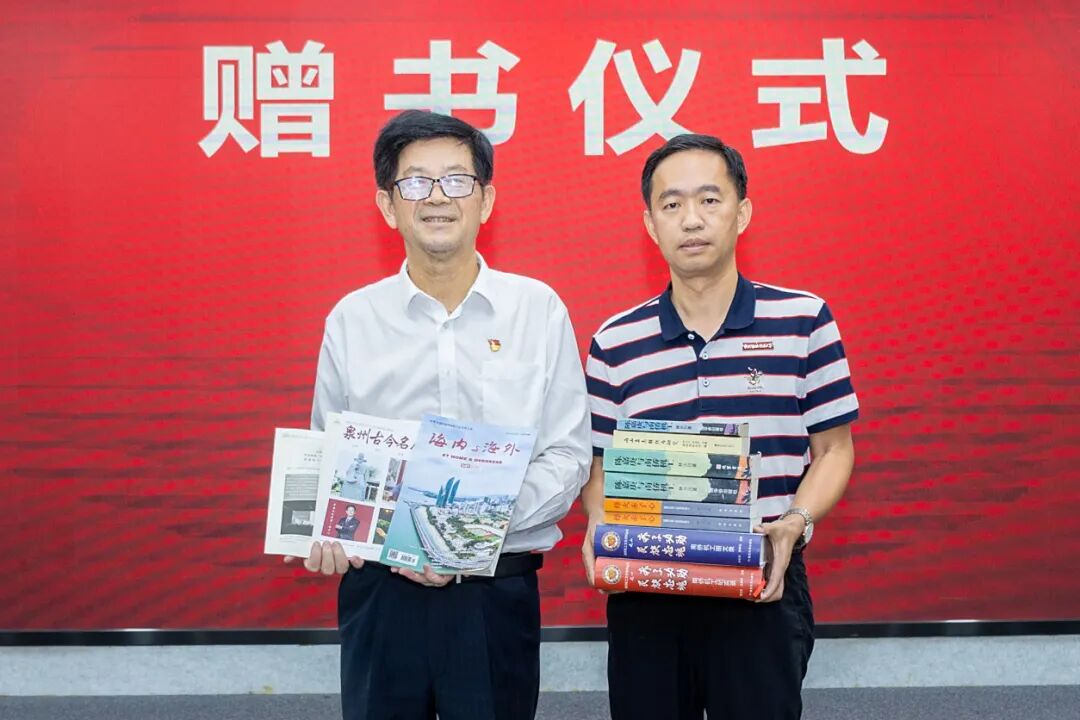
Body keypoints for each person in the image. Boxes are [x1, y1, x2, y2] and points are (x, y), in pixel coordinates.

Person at [286, 110, 592, 720]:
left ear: (486, 200)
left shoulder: (537, 310)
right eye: (415, 182)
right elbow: (329, 456)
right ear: (387, 205)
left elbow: (566, 456)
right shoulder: (353, 319)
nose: (436, 197)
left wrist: (461, 536)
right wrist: (322, 528)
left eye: (456, 180)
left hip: (494, 590)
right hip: (381, 593)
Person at [581, 134, 858, 720]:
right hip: (650, 580)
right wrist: (599, 525)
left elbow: (834, 450)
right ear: (650, 224)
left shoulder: (803, 320)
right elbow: (598, 465)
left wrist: (795, 522)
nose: (691, 219)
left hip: (763, 575)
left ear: (743, 212)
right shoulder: (614, 342)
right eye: (672, 204)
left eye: (710, 200)